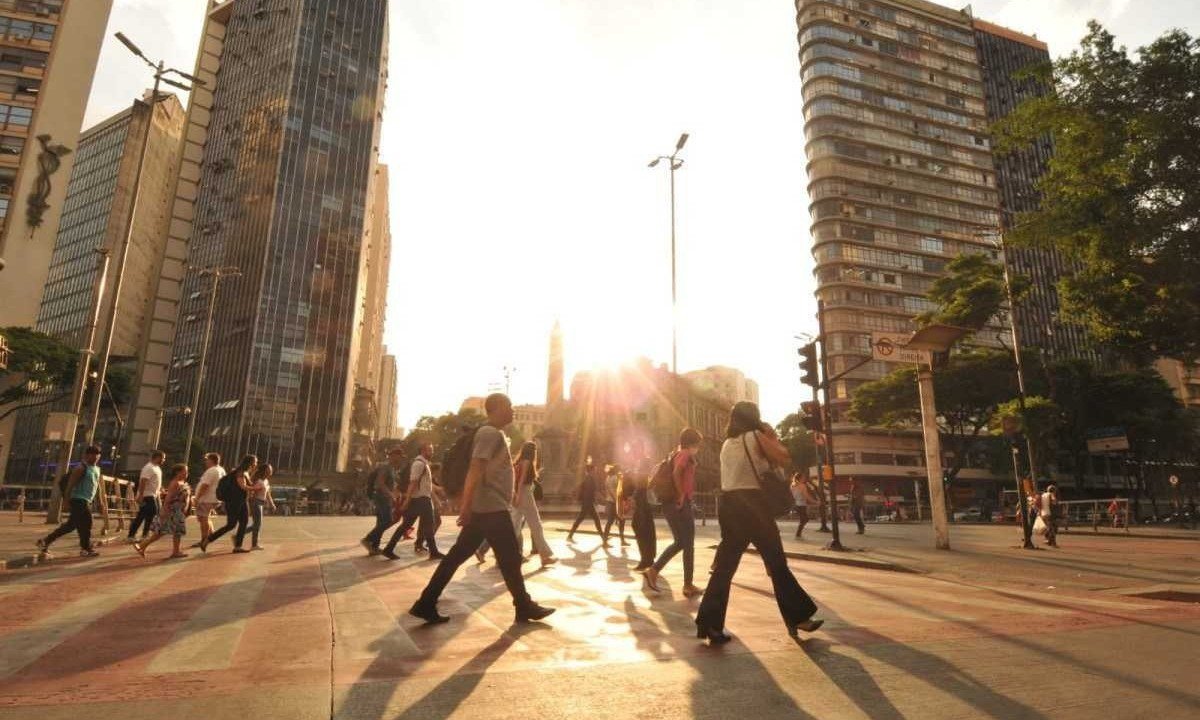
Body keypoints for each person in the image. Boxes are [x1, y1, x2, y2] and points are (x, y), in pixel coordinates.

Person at [409, 393, 554, 625]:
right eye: (508, 406)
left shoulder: (493, 434)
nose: (512, 410)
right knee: (509, 558)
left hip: (486, 507)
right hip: (490, 507)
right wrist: (466, 506)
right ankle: (523, 605)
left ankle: (426, 602)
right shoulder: (489, 434)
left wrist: (470, 505)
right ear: (495, 408)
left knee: (459, 556)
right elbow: (475, 470)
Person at [695, 402, 823, 644]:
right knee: (776, 564)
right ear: (754, 417)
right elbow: (784, 457)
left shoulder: (726, 444)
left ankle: (709, 623)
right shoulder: (754, 436)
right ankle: (797, 617)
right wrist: (772, 437)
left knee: (724, 567)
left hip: (729, 505)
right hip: (753, 506)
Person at [646, 428, 704, 597]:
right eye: (698, 444)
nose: (698, 447)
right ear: (692, 443)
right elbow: (677, 472)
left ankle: (654, 571)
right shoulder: (685, 454)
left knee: (680, 542)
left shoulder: (675, 453)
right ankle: (687, 585)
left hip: (670, 504)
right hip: (679, 503)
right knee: (688, 543)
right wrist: (681, 495)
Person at [37, 445, 104, 558]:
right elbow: (70, 485)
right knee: (83, 523)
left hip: (87, 500)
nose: (96, 457)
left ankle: (45, 542)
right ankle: (85, 548)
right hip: (78, 499)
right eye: (93, 454)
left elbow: (98, 486)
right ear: (87, 455)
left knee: (76, 525)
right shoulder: (81, 468)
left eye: (98, 454)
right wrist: (66, 501)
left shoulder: (97, 469)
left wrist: (101, 501)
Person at [383, 442, 444, 560]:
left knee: (406, 525)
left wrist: (436, 496)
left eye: (432, 450)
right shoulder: (419, 464)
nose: (432, 452)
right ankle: (434, 551)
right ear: (423, 451)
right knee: (428, 525)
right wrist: (407, 501)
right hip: (421, 500)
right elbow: (413, 483)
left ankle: (388, 549)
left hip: (421, 499)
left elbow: (426, 485)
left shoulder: (425, 464)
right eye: (430, 450)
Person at [133, 463, 191, 560]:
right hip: (173, 511)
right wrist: (164, 510)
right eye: (185, 471)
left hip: (178, 511)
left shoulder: (182, 482)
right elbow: (169, 498)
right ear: (178, 472)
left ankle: (142, 546)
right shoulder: (175, 483)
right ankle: (142, 546)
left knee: (170, 532)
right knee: (165, 531)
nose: (187, 473)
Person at [200, 455, 256, 554]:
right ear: (250, 463)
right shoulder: (240, 472)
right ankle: (208, 540)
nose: (256, 464)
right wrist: (256, 488)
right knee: (231, 525)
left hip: (241, 502)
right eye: (255, 462)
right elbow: (243, 486)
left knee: (243, 522)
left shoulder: (244, 472)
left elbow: (248, 485)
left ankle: (238, 546)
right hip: (234, 502)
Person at [361, 447, 404, 556]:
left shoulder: (392, 469)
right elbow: (380, 482)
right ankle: (367, 539)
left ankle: (374, 547)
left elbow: (390, 484)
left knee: (381, 522)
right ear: (393, 456)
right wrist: (390, 495)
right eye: (399, 456)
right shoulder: (385, 467)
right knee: (388, 520)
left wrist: (395, 494)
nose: (400, 459)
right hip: (381, 497)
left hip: (384, 498)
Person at [127, 450, 165, 542]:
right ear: (158, 457)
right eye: (163, 458)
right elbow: (143, 481)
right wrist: (140, 495)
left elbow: (155, 482)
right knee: (147, 513)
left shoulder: (157, 468)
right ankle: (133, 535)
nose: (164, 460)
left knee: (147, 514)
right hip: (147, 495)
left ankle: (143, 534)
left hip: (154, 495)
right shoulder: (149, 467)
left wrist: (160, 490)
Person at [629, 457, 658, 572]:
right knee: (643, 528)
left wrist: (634, 474)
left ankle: (646, 559)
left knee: (642, 528)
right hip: (642, 500)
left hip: (643, 501)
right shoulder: (643, 468)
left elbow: (642, 484)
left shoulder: (644, 468)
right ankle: (647, 558)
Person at [566, 459, 605, 544]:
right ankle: (603, 539)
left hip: (587, 503)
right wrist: (600, 499)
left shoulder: (587, 478)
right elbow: (593, 491)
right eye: (594, 470)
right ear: (591, 470)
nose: (596, 471)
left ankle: (570, 535)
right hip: (588, 503)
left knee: (581, 519)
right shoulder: (591, 478)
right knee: (596, 520)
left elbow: (583, 489)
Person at [192, 452, 225, 548]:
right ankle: (211, 536)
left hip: (206, 498)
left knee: (203, 519)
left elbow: (205, 485)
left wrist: (197, 498)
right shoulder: (221, 470)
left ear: (211, 460)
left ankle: (204, 539)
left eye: (207, 459)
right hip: (214, 498)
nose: (205, 461)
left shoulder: (211, 470)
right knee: (206, 517)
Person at [248, 462, 277, 550]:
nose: (270, 471)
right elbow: (252, 491)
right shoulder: (259, 481)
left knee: (256, 524)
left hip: (261, 503)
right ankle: (254, 544)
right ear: (264, 471)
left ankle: (238, 535)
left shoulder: (266, 481)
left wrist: (272, 504)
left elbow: (268, 494)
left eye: (271, 470)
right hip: (256, 503)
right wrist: (251, 499)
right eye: (268, 470)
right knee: (257, 524)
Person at [602, 464, 628, 546]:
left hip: (609, 501)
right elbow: (619, 491)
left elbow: (608, 490)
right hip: (615, 502)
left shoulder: (608, 478)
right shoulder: (616, 478)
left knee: (610, 521)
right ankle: (622, 540)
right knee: (622, 520)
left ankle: (605, 541)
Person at [791, 473, 810, 539]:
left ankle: (798, 534)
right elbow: (806, 496)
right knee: (804, 519)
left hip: (796, 504)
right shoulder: (802, 485)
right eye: (803, 477)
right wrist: (815, 502)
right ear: (800, 478)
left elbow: (792, 496)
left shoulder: (792, 485)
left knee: (803, 519)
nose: (804, 478)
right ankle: (798, 534)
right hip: (802, 505)